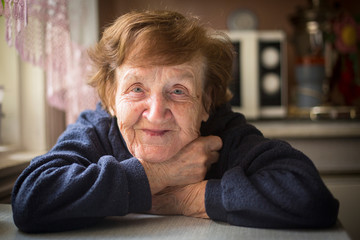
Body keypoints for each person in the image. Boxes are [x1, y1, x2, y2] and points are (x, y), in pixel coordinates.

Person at [11, 10, 339, 233]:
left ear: (207, 102)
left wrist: (184, 198)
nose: (156, 112)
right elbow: (31, 198)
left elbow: (311, 198)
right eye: (137, 88)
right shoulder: (97, 128)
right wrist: (159, 175)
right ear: (110, 97)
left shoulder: (225, 133)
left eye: (179, 91)